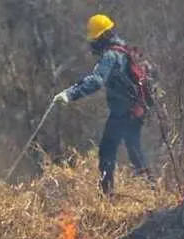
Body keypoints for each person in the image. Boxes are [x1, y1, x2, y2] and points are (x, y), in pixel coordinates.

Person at [53, 14, 152, 196]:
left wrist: (70, 94)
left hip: (123, 113)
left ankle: (108, 197)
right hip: (136, 110)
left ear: (104, 36)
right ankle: (152, 190)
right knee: (135, 150)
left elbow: (97, 81)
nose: (93, 44)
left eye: (96, 39)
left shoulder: (110, 56)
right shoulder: (124, 50)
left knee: (107, 151)